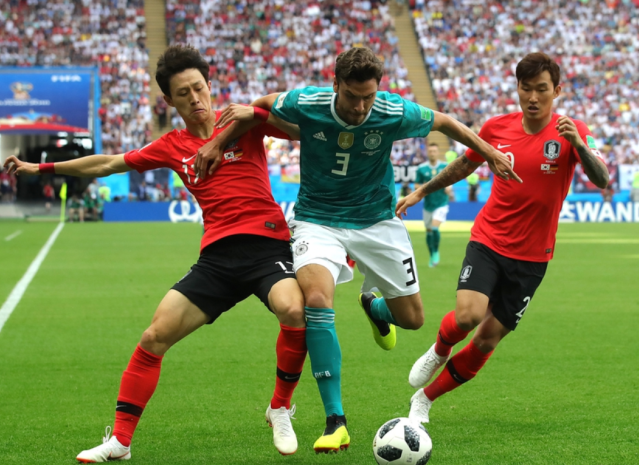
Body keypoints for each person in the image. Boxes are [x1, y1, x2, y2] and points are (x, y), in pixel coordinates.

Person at [194, 46, 519, 453]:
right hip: (317, 219)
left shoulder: (392, 110)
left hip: (377, 221)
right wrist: (219, 141)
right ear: (335, 85)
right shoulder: (306, 102)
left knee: (413, 319)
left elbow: (445, 122)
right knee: (316, 299)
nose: (361, 107)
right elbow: (257, 108)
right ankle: (336, 421)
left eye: (368, 97)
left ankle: (376, 309)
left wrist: (490, 153)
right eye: (352, 96)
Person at [5, 44, 308, 462]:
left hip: (266, 247)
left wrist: (256, 114)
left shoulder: (242, 120)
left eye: (199, 88)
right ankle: (121, 441)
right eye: (183, 93)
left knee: (293, 310)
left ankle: (279, 408)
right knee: (153, 336)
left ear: (209, 84)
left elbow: (301, 129)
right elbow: (107, 164)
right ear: (169, 100)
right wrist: (40, 168)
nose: (195, 98)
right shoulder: (171, 145)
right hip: (217, 259)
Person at [396, 52, 609, 425]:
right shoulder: (496, 128)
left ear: (557, 91)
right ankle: (439, 350)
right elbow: (464, 164)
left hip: (533, 257)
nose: (533, 97)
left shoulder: (571, 131)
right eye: (526, 88)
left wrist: (580, 146)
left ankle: (424, 400)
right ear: (518, 88)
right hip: (489, 240)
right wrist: (420, 192)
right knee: (468, 316)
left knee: (486, 340)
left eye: (541, 89)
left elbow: (602, 178)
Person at [415, 142, 454, 267]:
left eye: (434, 151)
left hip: (442, 203)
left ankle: (436, 252)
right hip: (428, 205)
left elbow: (450, 181)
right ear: (427, 153)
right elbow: (416, 184)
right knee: (428, 231)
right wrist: (422, 188)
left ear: (438, 153)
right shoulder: (421, 168)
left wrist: (449, 187)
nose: (432, 153)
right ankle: (431, 254)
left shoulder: (445, 166)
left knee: (435, 228)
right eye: (430, 151)